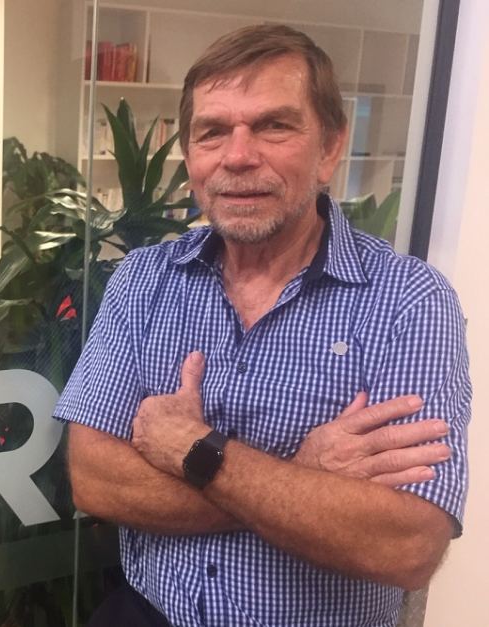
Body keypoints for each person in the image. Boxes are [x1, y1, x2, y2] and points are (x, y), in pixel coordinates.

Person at [54, 24, 471, 627]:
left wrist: (195, 451)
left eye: (274, 125)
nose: (238, 155)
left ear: (330, 148)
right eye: (212, 132)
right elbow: (95, 480)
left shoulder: (409, 301)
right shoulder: (143, 281)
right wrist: (303, 475)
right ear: (191, 156)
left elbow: (406, 544)